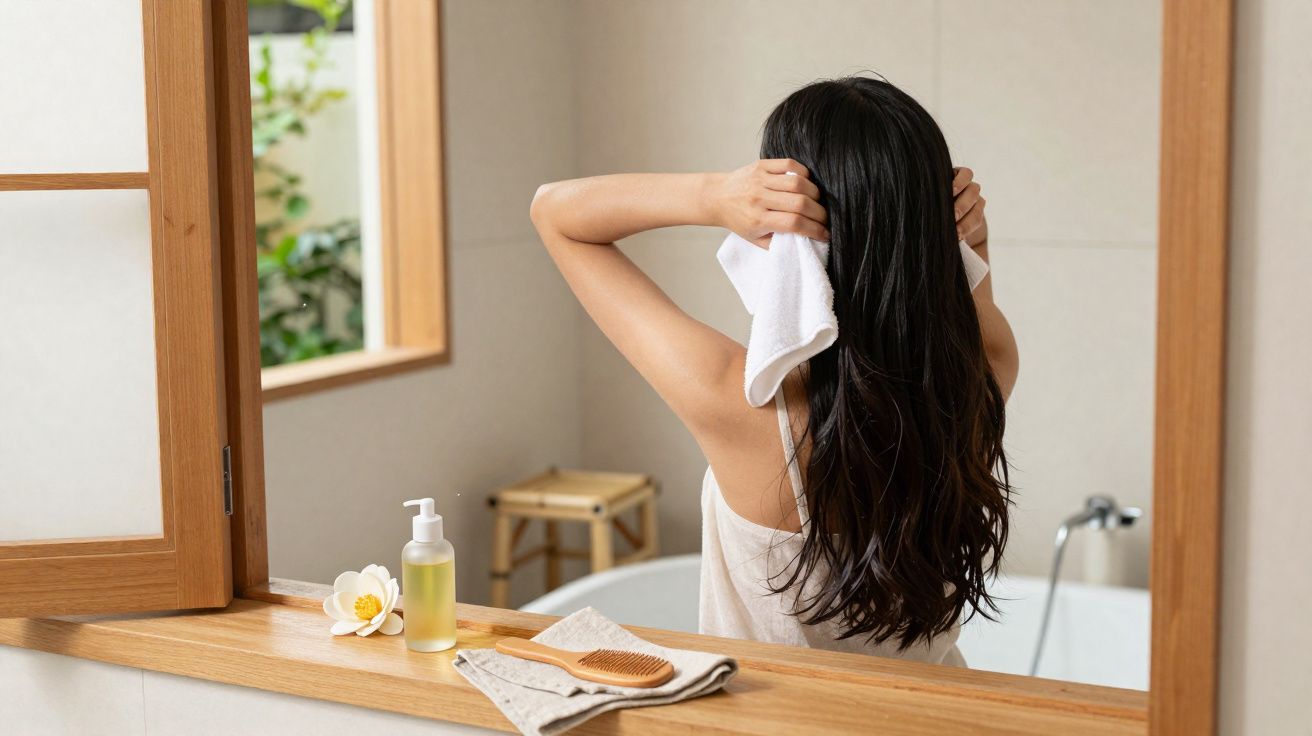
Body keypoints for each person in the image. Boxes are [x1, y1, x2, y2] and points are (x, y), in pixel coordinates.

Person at [530, 76, 1018, 665]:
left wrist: (714, 196)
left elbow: (555, 213)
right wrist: (965, 238)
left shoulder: (742, 403)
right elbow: (962, 303)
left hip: (776, 713)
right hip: (931, 709)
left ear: (790, 226)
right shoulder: (983, 378)